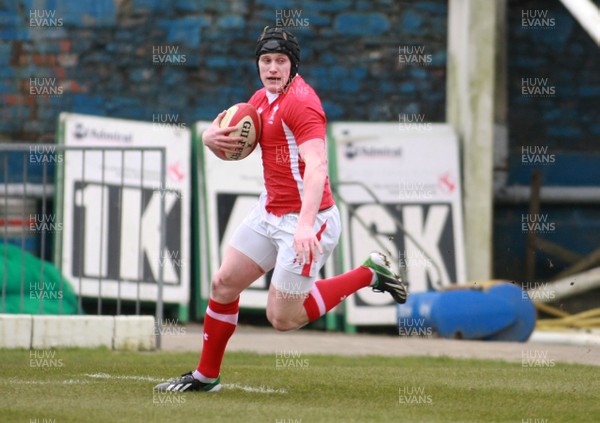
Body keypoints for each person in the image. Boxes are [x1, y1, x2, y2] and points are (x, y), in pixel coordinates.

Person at [155, 26, 408, 393]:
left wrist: (304, 226)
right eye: (266, 60)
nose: (272, 68)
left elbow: (318, 166)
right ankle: (206, 377)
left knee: (282, 317)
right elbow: (226, 140)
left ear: (293, 65)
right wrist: (208, 139)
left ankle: (369, 273)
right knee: (223, 283)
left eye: (280, 61)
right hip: (268, 212)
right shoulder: (259, 100)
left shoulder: (302, 103)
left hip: (308, 220)